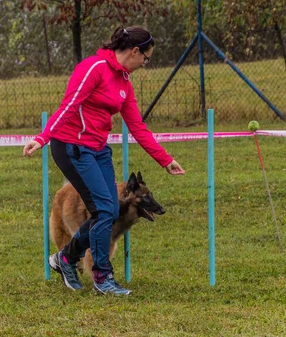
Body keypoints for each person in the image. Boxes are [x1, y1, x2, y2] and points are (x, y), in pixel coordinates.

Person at [23, 26, 185, 296]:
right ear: (134, 51)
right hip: (71, 147)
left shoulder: (124, 81)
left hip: (98, 149)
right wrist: (43, 138)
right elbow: (68, 105)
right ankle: (102, 277)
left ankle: (65, 259)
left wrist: (164, 159)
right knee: (105, 211)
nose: (145, 64)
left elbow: (137, 126)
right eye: (146, 58)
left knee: (109, 210)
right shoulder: (93, 68)